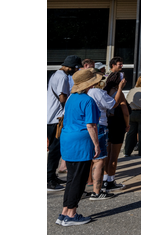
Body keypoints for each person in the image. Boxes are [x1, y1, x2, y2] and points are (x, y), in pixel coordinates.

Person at [55, 68, 103, 226]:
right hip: (81, 141)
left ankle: (64, 212)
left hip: (67, 138)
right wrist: (96, 144)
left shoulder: (70, 98)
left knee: (71, 178)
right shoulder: (88, 100)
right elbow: (91, 125)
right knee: (79, 179)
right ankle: (72, 214)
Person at [87, 75, 125, 200]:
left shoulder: (80, 94)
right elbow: (113, 104)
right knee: (100, 159)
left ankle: (87, 187)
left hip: (85, 126)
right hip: (100, 125)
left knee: (88, 158)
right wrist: (120, 89)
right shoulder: (97, 92)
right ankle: (97, 191)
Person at [48, 55, 81, 191]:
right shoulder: (62, 77)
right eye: (76, 67)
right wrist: (70, 109)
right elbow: (62, 97)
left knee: (55, 149)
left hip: (50, 116)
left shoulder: (56, 74)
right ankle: (49, 180)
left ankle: (52, 176)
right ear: (71, 66)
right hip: (56, 118)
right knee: (55, 150)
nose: (76, 70)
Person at [102, 56, 129, 191]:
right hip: (117, 123)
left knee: (106, 152)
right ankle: (110, 180)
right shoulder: (119, 94)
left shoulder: (104, 92)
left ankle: (104, 178)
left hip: (107, 122)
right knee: (114, 154)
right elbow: (125, 111)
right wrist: (127, 124)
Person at [124, 75, 141, 157]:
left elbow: (127, 100)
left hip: (131, 113)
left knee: (130, 133)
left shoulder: (131, 90)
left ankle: (127, 151)